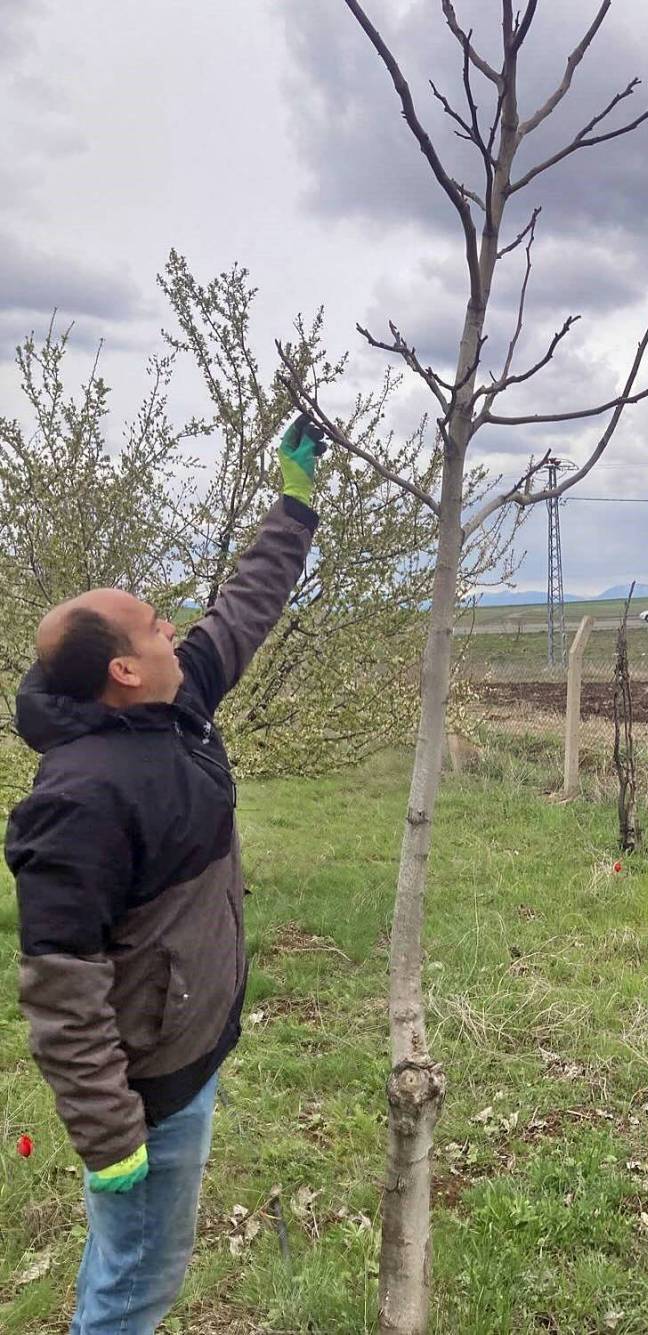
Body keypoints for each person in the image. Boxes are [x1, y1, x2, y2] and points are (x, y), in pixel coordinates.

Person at [5, 416, 327, 1334]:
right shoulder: (77, 799)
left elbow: (243, 608)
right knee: (135, 1286)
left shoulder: (172, 703)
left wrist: (294, 507)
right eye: (153, 625)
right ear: (120, 668)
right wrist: (110, 1141)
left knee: (125, 1263)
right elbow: (61, 992)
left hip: (187, 1048)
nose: (174, 627)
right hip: (149, 1092)